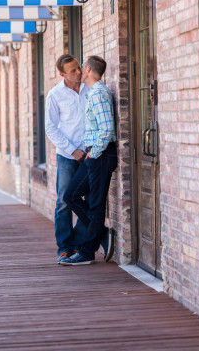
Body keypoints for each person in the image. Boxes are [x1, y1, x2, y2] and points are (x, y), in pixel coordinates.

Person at [45, 54, 113, 265]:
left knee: (92, 201)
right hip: (68, 155)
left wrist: (91, 150)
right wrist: (72, 150)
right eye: (73, 71)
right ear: (62, 74)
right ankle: (65, 248)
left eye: (78, 67)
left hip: (92, 154)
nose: (78, 72)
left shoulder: (90, 89)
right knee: (65, 201)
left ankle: (83, 244)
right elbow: (50, 128)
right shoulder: (54, 95)